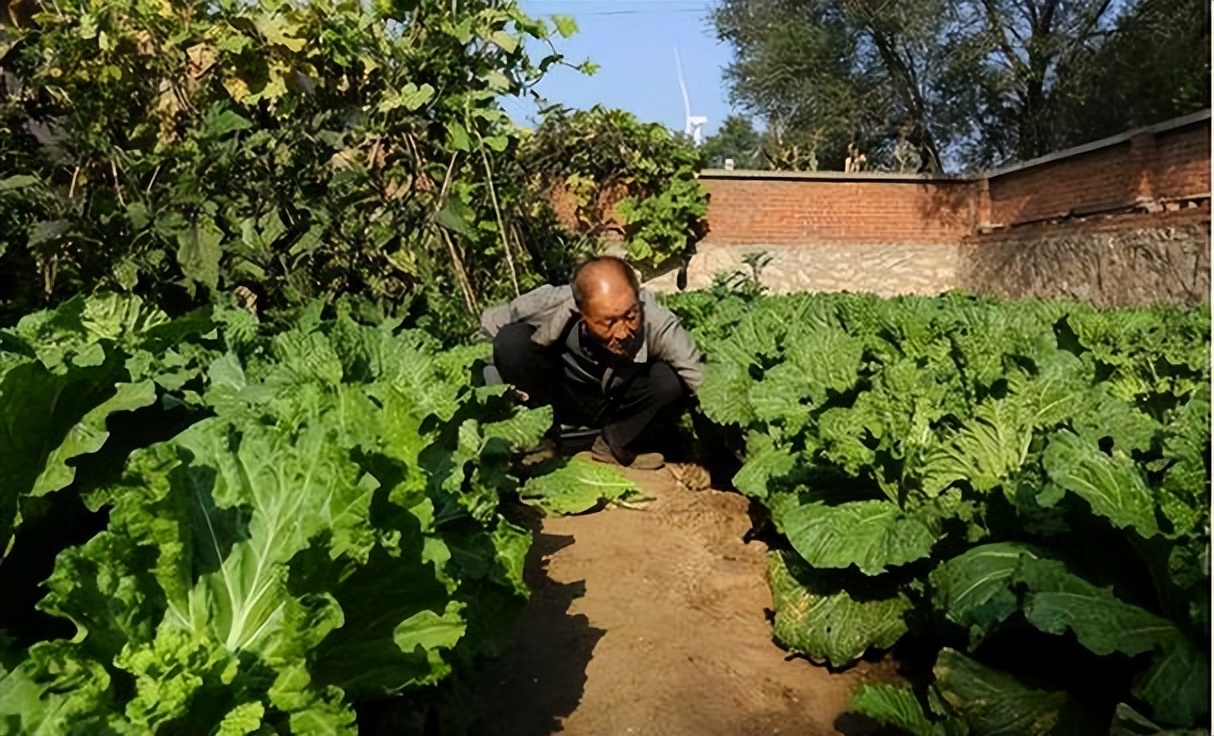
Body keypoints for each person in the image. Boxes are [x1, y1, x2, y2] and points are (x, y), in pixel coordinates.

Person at [480, 256, 703, 470]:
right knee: (512, 342)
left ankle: (612, 445)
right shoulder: (549, 303)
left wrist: (716, 460)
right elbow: (487, 335)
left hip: (618, 406)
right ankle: (544, 438)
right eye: (609, 322)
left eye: (630, 316)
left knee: (669, 380)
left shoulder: (659, 323)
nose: (623, 332)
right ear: (580, 314)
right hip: (561, 395)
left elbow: (702, 383)